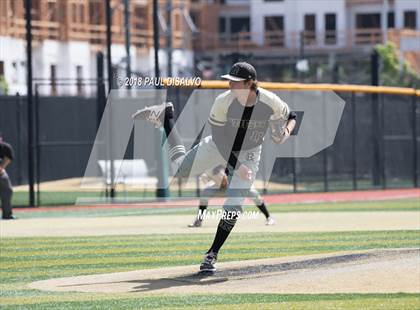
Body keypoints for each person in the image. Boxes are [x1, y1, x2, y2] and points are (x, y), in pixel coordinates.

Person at [133, 62, 296, 272]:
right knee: (180, 168)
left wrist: (286, 133)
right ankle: (167, 117)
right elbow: (220, 140)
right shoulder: (223, 102)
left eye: (236, 82)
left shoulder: (269, 100)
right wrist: (236, 167)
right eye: (230, 80)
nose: (230, 85)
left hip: (250, 154)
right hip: (220, 146)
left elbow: (292, 116)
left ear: (250, 83)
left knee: (234, 205)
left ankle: (212, 254)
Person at [188, 165, 275, 227]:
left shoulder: (232, 166)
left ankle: (269, 217)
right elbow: (205, 177)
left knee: (253, 194)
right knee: (205, 193)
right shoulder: (212, 167)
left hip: (237, 185)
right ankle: (199, 220)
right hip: (221, 189)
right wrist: (206, 178)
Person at [0, 133, 15, 220]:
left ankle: (7, 214)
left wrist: (1, 167)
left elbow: (8, 158)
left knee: (8, 190)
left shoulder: (5, 147)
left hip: (1, 173)